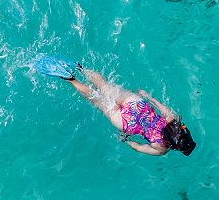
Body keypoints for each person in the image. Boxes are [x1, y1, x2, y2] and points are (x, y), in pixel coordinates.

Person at [35, 57, 196, 156]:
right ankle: (71, 79)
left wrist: (147, 96)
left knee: (104, 86)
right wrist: (125, 140)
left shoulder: (174, 120)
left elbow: (160, 106)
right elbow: (138, 147)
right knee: (95, 99)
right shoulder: (161, 148)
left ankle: (80, 68)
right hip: (126, 122)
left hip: (136, 105)